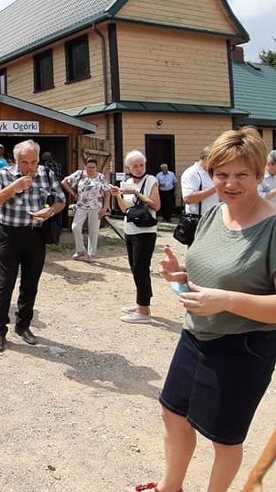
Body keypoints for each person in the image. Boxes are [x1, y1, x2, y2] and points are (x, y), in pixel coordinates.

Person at [143, 126, 276, 492]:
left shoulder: (273, 228)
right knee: (173, 415)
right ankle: (170, 488)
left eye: (241, 175)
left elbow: (228, 292)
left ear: (260, 174)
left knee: (223, 439)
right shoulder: (214, 215)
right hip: (195, 335)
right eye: (221, 174)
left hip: (243, 347)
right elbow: (209, 276)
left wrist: (227, 301)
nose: (229, 183)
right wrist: (178, 276)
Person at [0, 139, 65, 352]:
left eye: (33, 162)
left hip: (36, 234)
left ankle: (23, 325)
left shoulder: (46, 173)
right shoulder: (3, 175)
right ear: (15, 160)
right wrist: (13, 187)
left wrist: (49, 211)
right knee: (6, 283)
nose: (29, 167)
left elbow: (61, 199)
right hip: (10, 234)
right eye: (24, 162)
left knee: (30, 284)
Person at [111, 150, 160, 324]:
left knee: (141, 268)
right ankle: (141, 302)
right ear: (128, 167)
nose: (139, 169)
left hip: (145, 231)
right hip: (130, 229)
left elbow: (156, 205)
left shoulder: (151, 180)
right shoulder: (127, 182)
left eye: (141, 165)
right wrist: (118, 194)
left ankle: (143, 309)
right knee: (134, 268)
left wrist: (137, 193)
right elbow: (125, 209)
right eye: (135, 166)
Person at [62, 158, 110, 261]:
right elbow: (64, 182)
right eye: (89, 167)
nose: (91, 169)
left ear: (96, 167)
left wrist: (105, 207)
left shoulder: (101, 177)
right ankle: (80, 251)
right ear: (85, 166)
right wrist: (73, 193)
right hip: (81, 205)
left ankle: (90, 255)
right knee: (75, 227)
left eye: (93, 167)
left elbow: (107, 193)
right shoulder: (79, 174)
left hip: (96, 206)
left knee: (93, 231)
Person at [181, 147, 219, 220]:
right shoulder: (191, 173)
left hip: (214, 218)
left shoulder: (213, 173)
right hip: (197, 220)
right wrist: (214, 188)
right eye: (215, 160)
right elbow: (188, 199)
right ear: (206, 159)